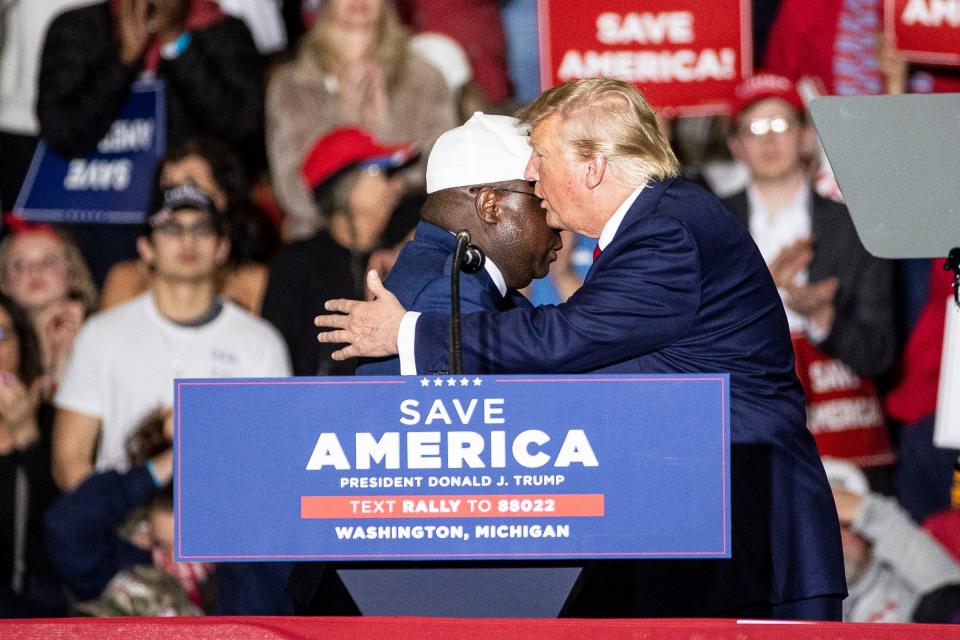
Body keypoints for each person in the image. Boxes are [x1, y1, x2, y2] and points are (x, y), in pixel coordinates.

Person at [315, 77, 846, 619]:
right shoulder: (655, 224)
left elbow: (564, 340)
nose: (530, 174)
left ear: (593, 167)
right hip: (708, 533)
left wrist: (408, 333)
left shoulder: (667, 233)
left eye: (540, 157)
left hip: (752, 534)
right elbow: (581, 346)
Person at [51, 184, 290, 493]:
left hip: (219, 520)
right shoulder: (101, 334)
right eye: (171, 228)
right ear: (146, 248)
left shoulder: (260, 342)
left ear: (222, 248)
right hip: (122, 525)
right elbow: (69, 459)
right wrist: (114, 522)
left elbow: (274, 456)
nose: (187, 240)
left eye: (202, 229)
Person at [722, 73, 897, 468]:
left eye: (781, 124)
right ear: (735, 145)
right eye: (754, 128)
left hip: (842, 445)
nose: (769, 140)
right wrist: (763, 288)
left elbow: (879, 353)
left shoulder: (855, 228)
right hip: (745, 435)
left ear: (804, 136)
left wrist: (821, 314)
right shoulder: (711, 225)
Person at [358, 112, 560, 375]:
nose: (559, 222)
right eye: (544, 201)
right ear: (490, 206)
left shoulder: (457, 277)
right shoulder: (449, 290)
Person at [266, 0, 456, 240]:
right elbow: (292, 192)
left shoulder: (423, 77)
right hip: (321, 236)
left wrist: (383, 130)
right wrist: (346, 120)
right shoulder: (292, 84)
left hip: (409, 230)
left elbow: (445, 170)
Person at [262, 126, 416, 377]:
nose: (398, 185)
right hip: (315, 410)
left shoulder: (403, 256)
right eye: (385, 172)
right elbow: (276, 359)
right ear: (346, 186)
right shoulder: (296, 264)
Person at [100, 137, 280, 315]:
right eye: (168, 187)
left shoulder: (256, 283)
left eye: (191, 185)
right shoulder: (128, 280)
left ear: (222, 198)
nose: (178, 196)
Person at [822, 457, 960, 622]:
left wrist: (869, 513)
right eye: (818, 531)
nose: (833, 540)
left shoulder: (906, 585)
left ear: (866, 528)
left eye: (844, 525)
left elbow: (951, 596)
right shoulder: (795, 605)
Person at [0, 293, 67, 617]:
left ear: (22, 344)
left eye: (0, 335)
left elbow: (62, 524)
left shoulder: (53, 421)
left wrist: (27, 436)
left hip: (33, 610)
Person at [0, 226, 98, 400]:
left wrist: (62, 362)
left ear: (72, 271)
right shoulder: (5, 342)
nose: (35, 271)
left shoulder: (98, 330)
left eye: (49, 262)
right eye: (21, 265)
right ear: (5, 281)